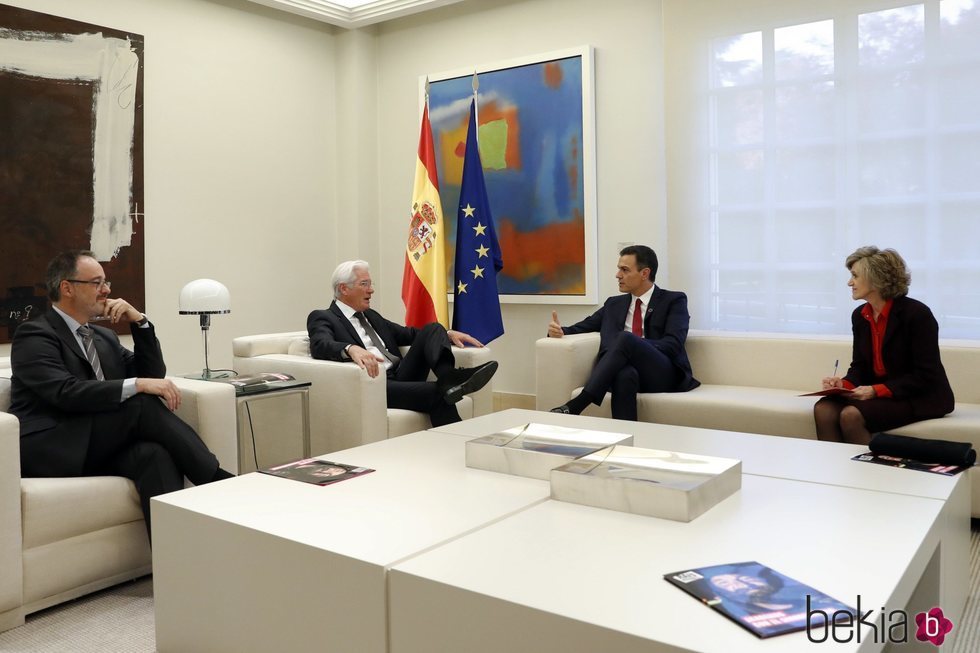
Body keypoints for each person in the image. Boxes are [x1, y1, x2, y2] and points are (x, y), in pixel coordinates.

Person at [9, 250, 234, 540]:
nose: (107, 291)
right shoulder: (34, 335)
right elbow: (65, 392)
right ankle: (217, 481)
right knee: (140, 402)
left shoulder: (103, 337)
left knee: (154, 455)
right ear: (67, 288)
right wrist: (137, 385)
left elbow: (153, 374)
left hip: (97, 441)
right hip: (52, 445)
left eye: (107, 283)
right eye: (97, 283)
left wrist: (139, 322)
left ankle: (176, 562)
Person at [307, 260, 498, 426]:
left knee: (433, 327)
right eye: (364, 284)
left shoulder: (371, 316)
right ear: (343, 288)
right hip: (376, 383)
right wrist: (350, 348)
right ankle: (460, 445)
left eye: (370, 284)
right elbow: (320, 345)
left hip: (400, 375)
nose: (371, 290)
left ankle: (449, 378)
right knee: (437, 392)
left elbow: (409, 334)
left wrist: (447, 334)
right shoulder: (323, 317)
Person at [814, 246, 954, 445]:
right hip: (882, 394)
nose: (849, 282)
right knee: (824, 409)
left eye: (854, 275)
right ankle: (835, 474)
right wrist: (843, 385)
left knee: (850, 415)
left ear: (875, 278)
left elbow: (925, 375)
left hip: (919, 396)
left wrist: (875, 390)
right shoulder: (860, 316)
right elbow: (860, 366)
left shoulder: (917, 314)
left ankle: (868, 473)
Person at [547, 245, 699, 421]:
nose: (617, 275)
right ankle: (626, 438)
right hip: (624, 371)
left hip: (662, 372)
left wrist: (635, 345)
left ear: (644, 273)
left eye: (624, 270)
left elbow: (673, 344)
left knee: (626, 339)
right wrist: (558, 331)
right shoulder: (613, 304)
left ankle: (579, 403)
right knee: (623, 374)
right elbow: (582, 327)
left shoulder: (674, 300)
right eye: (619, 269)